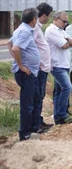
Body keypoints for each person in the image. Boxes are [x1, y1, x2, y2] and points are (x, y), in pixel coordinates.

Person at [7, 8, 40, 141]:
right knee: (27, 104)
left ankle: (33, 128)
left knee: (36, 99)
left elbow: (9, 43)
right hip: (26, 73)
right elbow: (15, 48)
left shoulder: (20, 29)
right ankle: (25, 133)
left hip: (30, 72)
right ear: (34, 19)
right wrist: (21, 65)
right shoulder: (25, 31)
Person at [45, 10, 72, 125]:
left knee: (58, 92)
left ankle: (58, 118)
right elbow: (64, 45)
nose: (65, 24)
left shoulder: (61, 31)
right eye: (64, 21)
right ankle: (63, 114)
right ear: (56, 19)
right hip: (56, 65)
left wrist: (68, 41)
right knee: (67, 87)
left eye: (66, 22)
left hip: (64, 64)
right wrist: (68, 42)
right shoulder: (51, 30)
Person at [34, 2, 54, 132]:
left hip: (43, 69)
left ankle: (39, 121)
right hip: (39, 69)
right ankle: (36, 124)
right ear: (45, 15)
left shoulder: (37, 27)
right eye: (49, 16)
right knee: (37, 97)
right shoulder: (34, 28)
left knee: (40, 96)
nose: (49, 18)